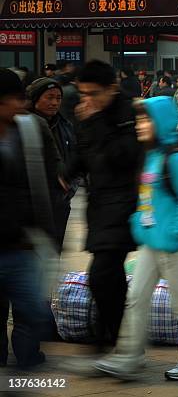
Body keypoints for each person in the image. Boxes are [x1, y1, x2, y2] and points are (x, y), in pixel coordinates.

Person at [93, 96, 178, 381]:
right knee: (136, 298)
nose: (139, 125)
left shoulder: (176, 156)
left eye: (146, 119)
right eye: (140, 119)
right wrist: (140, 223)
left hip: (175, 245)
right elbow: (149, 197)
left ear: (161, 121)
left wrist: (174, 233)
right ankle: (129, 357)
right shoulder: (154, 154)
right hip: (152, 241)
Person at [64, 60, 142, 351]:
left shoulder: (128, 114)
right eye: (83, 94)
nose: (88, 100)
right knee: (109, 274)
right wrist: (67, 173)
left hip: (124, 203)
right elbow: (85, 152)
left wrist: (94, 121)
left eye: (93, 93)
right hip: (99, 203)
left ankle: (109, 334)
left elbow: (123, 157)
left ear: (112, 88)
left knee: (102, 272)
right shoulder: (91, 113)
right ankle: (112, 332)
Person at [0, 68, 60, 368]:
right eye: (13, 99)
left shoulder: (28, 129)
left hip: (21, 243)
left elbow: (43, 181)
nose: (20, 105)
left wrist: (46, 232)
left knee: (32, 314)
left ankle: (27, 359)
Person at [26, 77, 78, 248]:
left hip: (59, 203)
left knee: (54, 253)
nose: (55, 102)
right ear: (35, 99)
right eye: (49, 97)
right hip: (32, 206)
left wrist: (69, 190)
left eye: (58, 98)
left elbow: (75, 159)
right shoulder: (24, 125)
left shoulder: (65, 125)